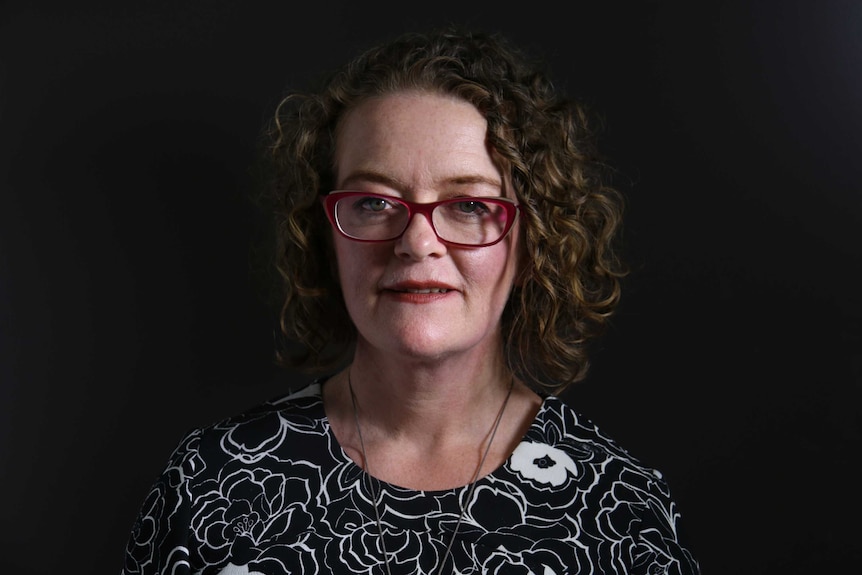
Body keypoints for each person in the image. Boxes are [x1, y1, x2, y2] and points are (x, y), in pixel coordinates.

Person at [120, 27, 700, 575]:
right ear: (326, 233)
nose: (416, 241)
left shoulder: (620, 515)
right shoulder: (210, 483)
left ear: (533, 239)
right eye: (374, 202)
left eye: (469, 205)